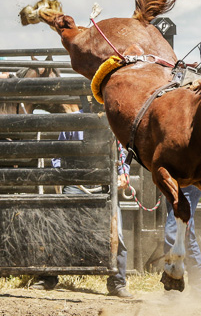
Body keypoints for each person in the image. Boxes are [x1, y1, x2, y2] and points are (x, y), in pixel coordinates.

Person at [31, 103, 133, 298]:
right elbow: (58, 156)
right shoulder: (73, 121)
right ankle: (48, 277)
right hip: (75, 184)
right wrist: (65, 176)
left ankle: (117, 282)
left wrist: (123, 175)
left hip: (104, 186)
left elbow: (124, 154)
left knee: (116, 233)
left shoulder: (114, 121)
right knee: (57, 227)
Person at [164, 185, 201, 301]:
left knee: (176, 233)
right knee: (185, 236)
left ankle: (174, 288)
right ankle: (200, 290)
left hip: (183, 181)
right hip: (179, 182)